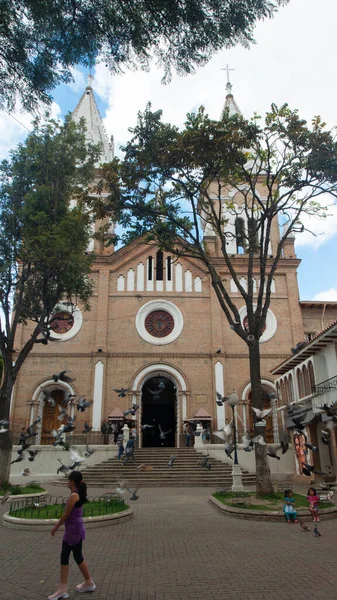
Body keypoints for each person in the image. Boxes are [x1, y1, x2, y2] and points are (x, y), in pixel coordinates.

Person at [48, 471, 96, 599]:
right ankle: (86, 583)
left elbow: (66, 515)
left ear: (73, 481)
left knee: (72, 556)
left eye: (68, 479)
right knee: (74, 556)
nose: (67, 482)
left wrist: (55, 527)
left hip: (74, 531)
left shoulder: (74, 496)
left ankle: (67, 588)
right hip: (73, 530)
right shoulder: (75, 494)